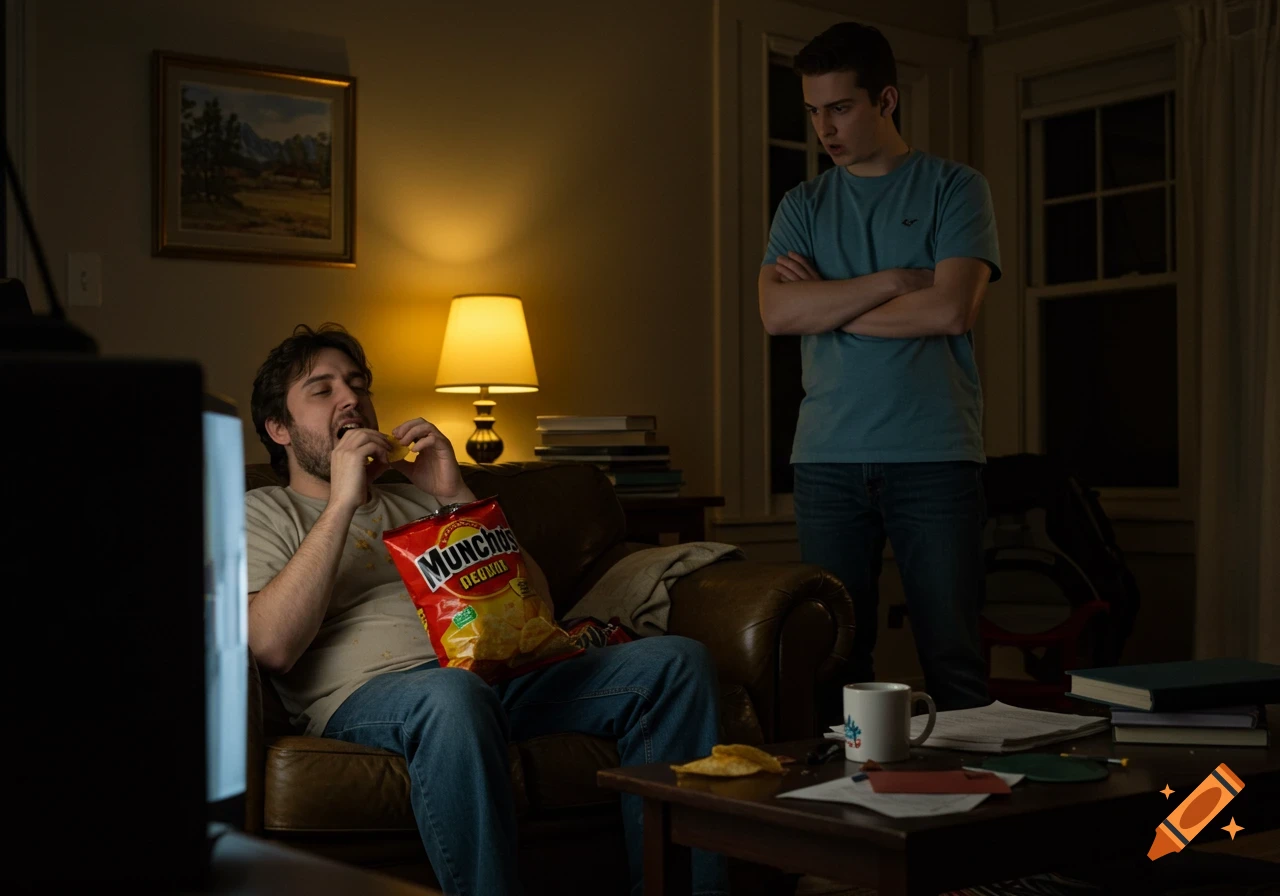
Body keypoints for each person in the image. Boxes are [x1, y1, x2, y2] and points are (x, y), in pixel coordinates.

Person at [244, 323, 728, 896]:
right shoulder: (263, 512)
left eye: (357, 383)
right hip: (375, 696)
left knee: (676, 663)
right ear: (279, 428)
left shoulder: (423, 495)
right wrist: (344, 502)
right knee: (454, 694)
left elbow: (538, 606)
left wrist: (456, 497)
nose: (351, 399)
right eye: (321, 390)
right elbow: (270, 646)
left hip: (497, 676)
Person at [758, 22, 1001, 711]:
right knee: (836, 658)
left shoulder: (956, 189)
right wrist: (896, 280)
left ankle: (968, 815)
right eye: (812, 111)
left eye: (840, 108)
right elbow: (777, 315)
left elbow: (951, 311)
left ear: (886, 99)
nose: (823, 129)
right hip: (827, 460)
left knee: (952, 656)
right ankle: (849, 811)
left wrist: (828, 304)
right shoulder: (802, 205)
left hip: (935, 455)